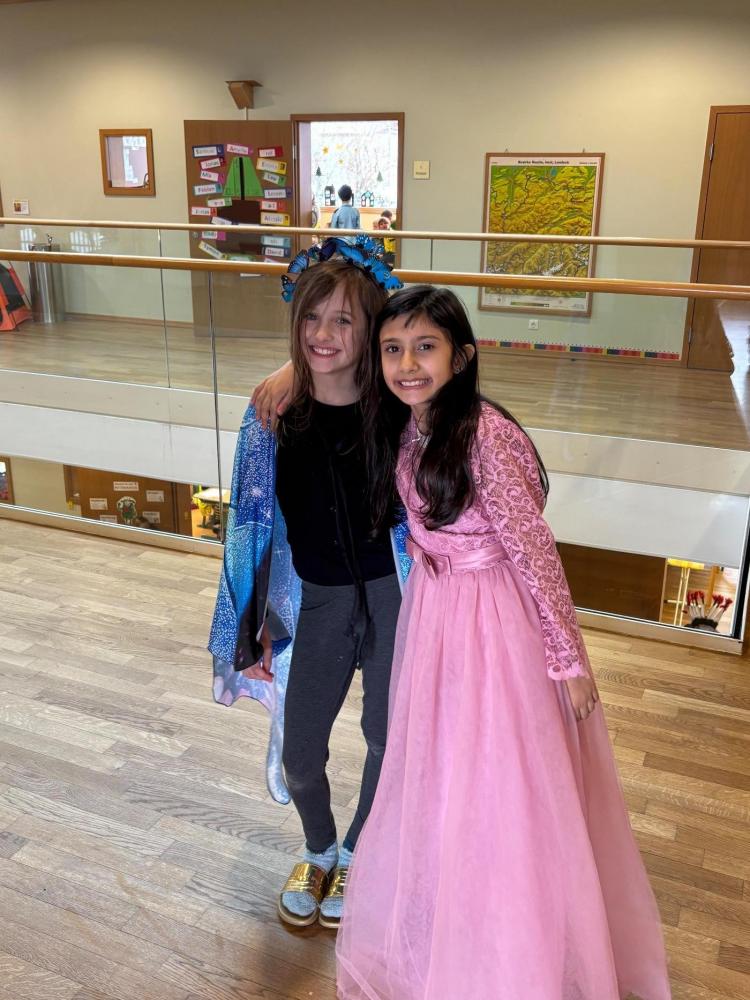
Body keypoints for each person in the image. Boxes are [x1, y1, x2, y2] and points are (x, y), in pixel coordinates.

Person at [336, 286, 672, 1000]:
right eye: (393, 349)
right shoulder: (409, 423)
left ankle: (513, 942)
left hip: (491, 618)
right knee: (445, 763)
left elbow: (533, 549)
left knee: (501, 775)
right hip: (438, 611)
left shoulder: (483, 434)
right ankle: (453, 911)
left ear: (460, 357)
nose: (407, 364)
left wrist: (566, 656)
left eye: (424, 348)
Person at [208, 237, 406, 930]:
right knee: (299, 754)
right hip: (319, 601)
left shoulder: (400, 410)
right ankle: (319, 848)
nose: (324, 334)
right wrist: (254, 623)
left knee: (387, 737)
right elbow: (250, 527)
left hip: (396, 597)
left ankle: (358, 852)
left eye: (344, 320)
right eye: (312, 318)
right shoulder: (273, 417)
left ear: (372, 328)